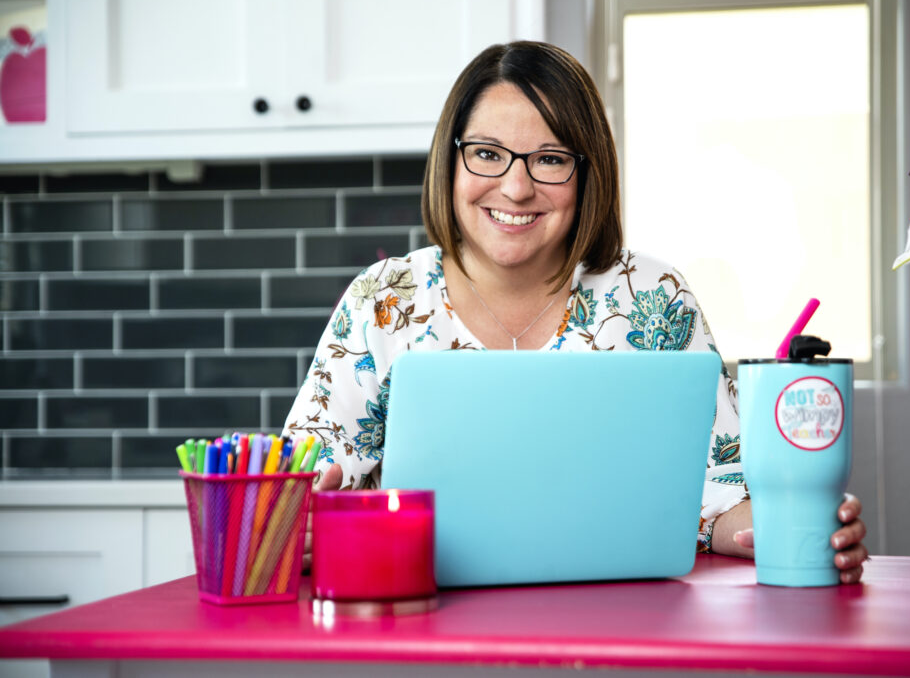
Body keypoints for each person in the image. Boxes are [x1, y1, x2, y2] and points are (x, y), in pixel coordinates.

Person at [283, 41, 868, 583]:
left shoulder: (652, 295)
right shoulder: (385, 299)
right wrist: (300, 524)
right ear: (451, 161)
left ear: (587, 173)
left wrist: (797, 530)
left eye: (550, 159)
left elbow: (719, 493)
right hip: (422, 628)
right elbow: (302, 497)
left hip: (621, 633)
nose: (515, 189)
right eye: (488, 153)